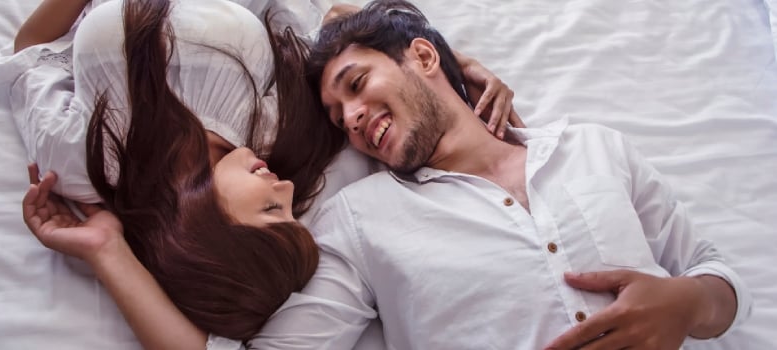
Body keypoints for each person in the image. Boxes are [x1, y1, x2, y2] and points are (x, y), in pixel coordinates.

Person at [241, 0, 752, 349]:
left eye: (356, 84)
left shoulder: (593, 148)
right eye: (338, 119)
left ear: (423, 56)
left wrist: (687, 303)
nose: (351, 119)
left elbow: (717, 275)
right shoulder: (358, 219)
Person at [8, 0, 519, 347]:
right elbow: (346, 29)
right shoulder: (288, 128)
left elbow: (29, 49)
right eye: (290, 208)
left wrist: (107, 250)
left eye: (274, 208)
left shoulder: (87, 162)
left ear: (213, 228)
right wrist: (444, 63)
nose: (289, 188)